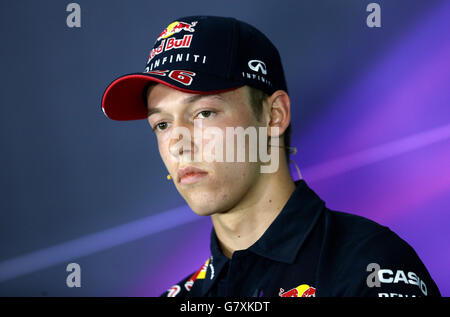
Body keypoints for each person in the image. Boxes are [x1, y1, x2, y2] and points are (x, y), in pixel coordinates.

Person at [101, 15, 441, 297]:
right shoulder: (182, 297)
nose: (178, 142)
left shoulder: (370, 267)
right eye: (161, 124)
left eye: (203, 113)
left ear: (274, 115)